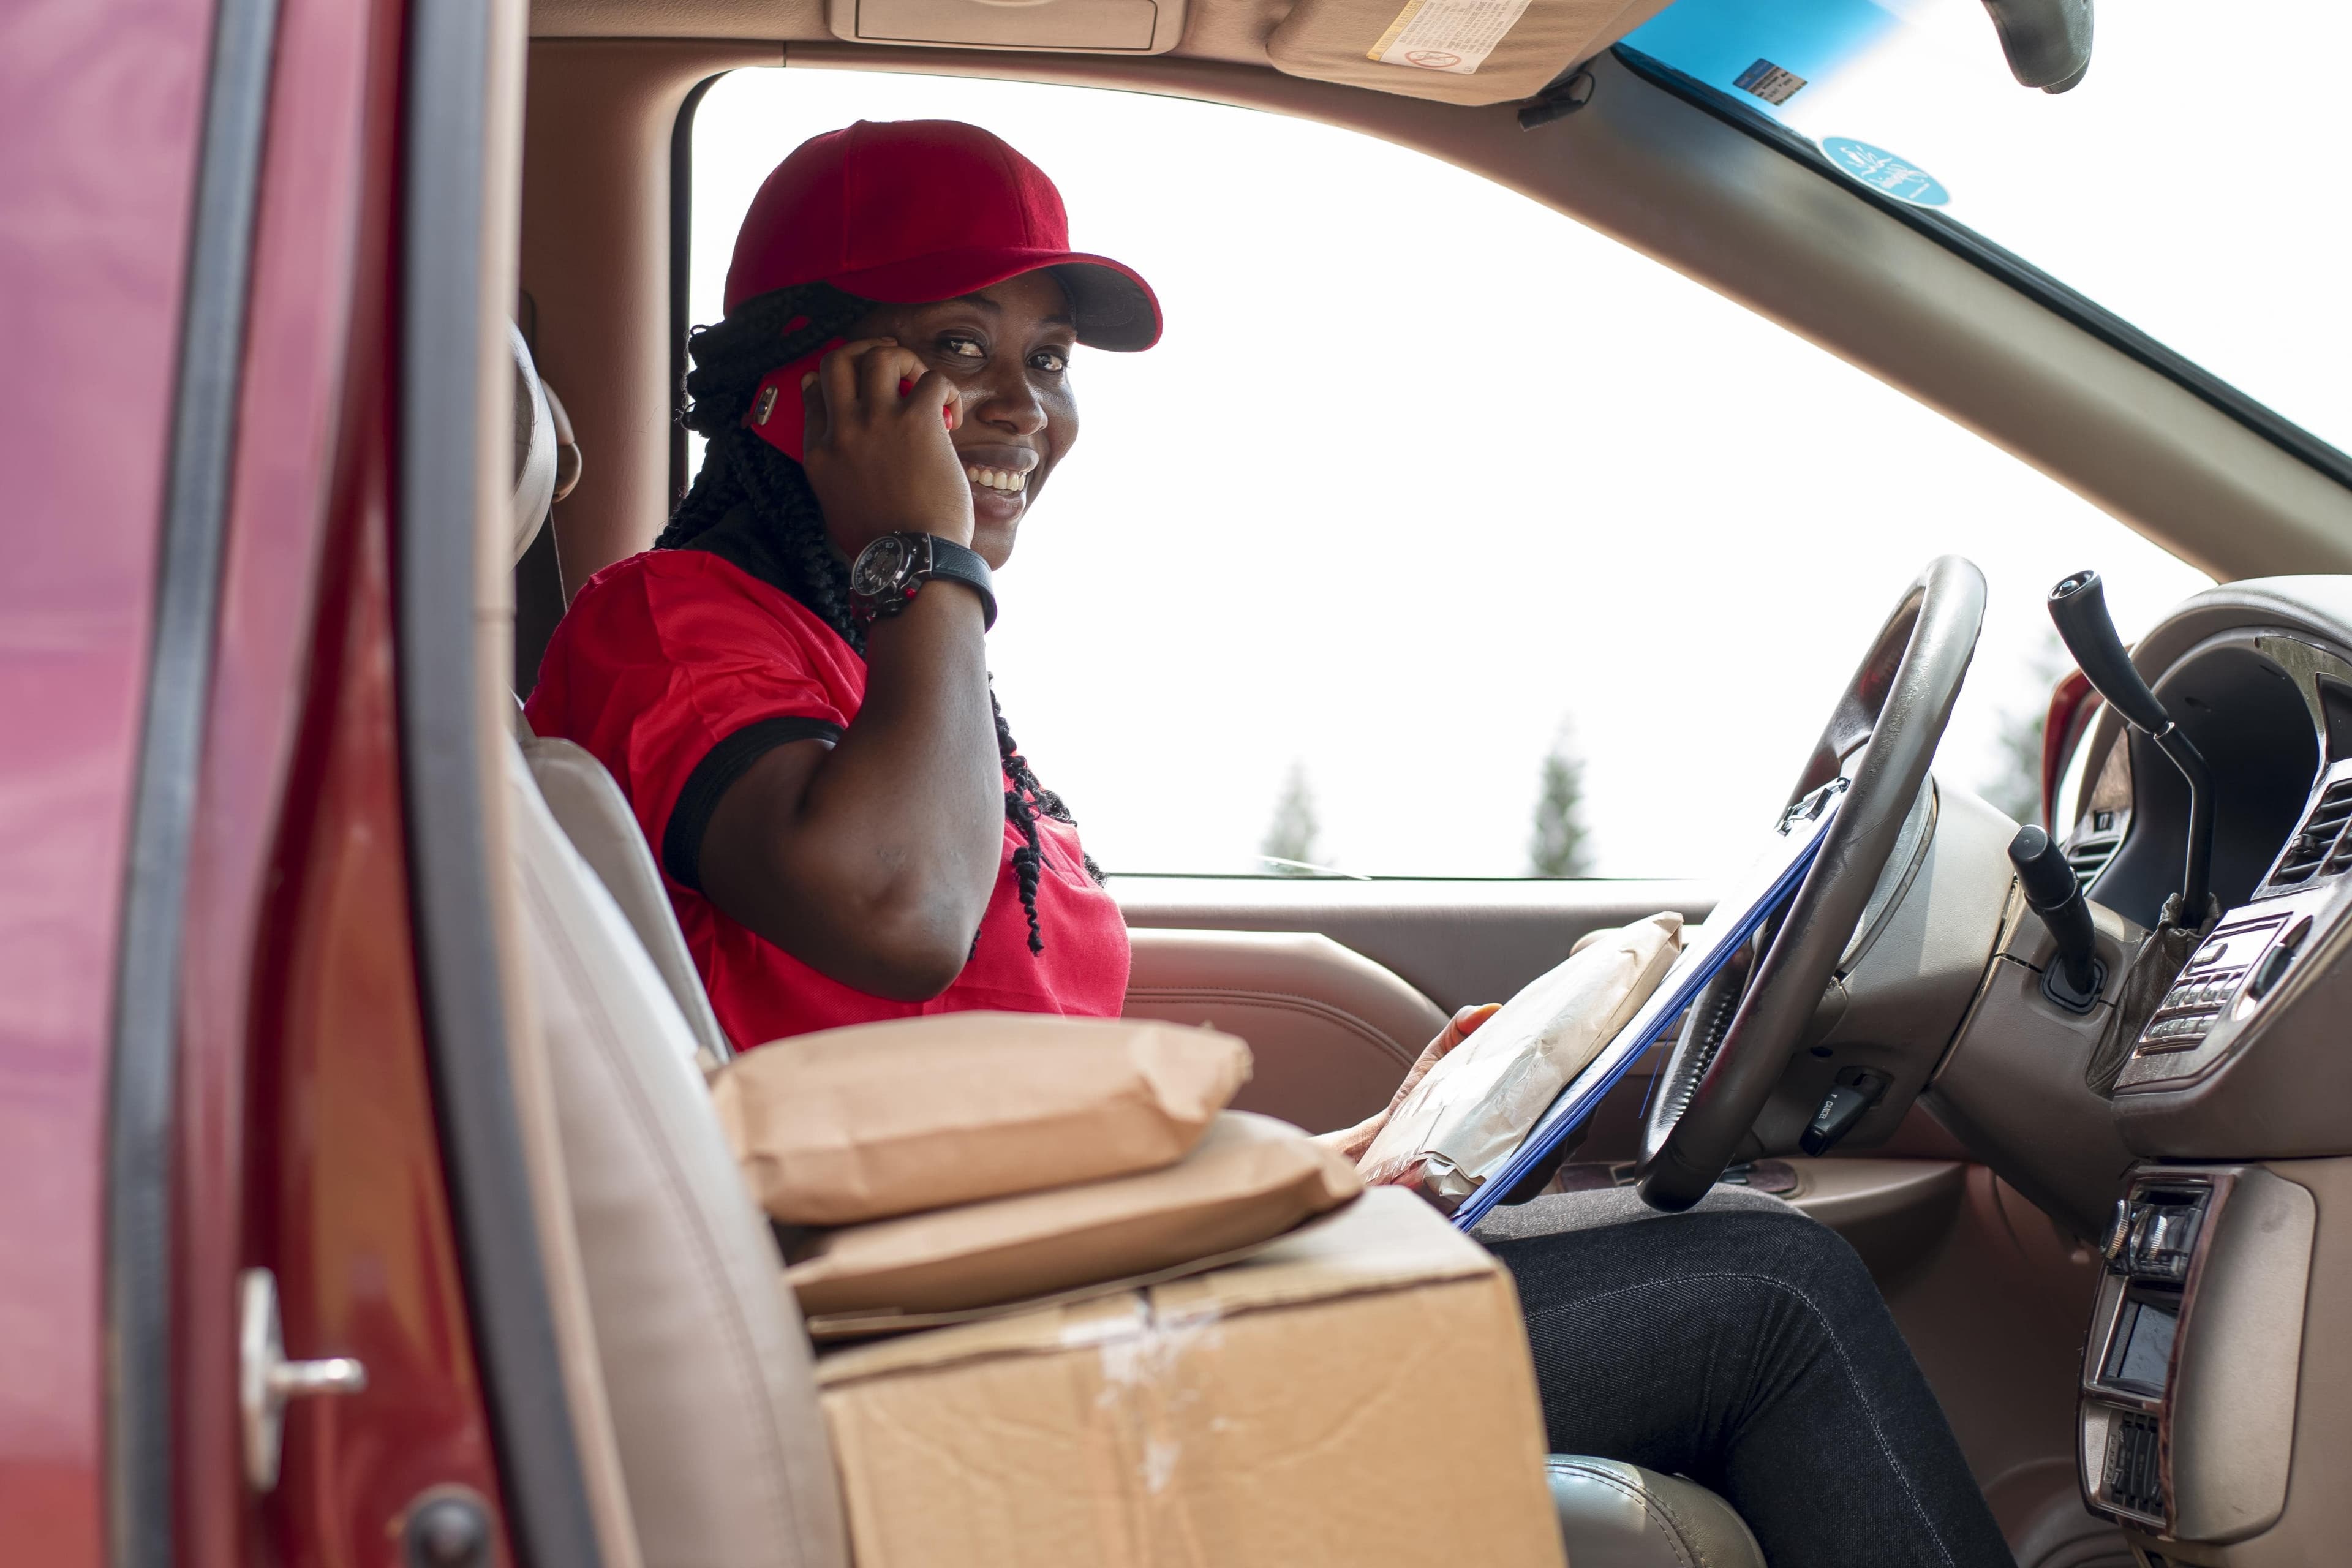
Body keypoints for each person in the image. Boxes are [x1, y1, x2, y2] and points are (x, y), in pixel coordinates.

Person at [524, 118, 2018, 1568]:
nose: (1026, 407)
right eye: (960, 348)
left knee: (1731, 1244)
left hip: (1034, 1296)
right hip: (941, 1355)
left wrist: (1339, 1164)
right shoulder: (675, 623)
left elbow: (984, 1059)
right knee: (1767, 1294)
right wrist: (934, 563)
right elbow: (902, 908)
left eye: (1046, 361)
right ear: (808, 383)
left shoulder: (874, 651)